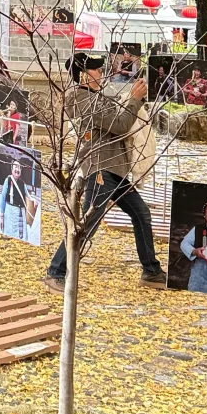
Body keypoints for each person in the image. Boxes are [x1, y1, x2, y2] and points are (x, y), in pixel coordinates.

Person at [44, 68, 164, 291]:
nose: (101, 72)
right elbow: (119, 125)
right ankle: (56, 271)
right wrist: (134, 100)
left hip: (115, 169)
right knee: (88, 223)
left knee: (141, 214)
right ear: (83, 74)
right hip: (101, 169)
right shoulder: (82, 99)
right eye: (96, 69)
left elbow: (118, 118)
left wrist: (132, 98)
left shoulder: (95, 97)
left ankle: (151, 271)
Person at [0, 157, 37, 241]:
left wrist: (34, 200)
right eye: (15, 166)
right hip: (10, 212)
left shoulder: (23, 184)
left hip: (21, 213)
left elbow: (28, 195)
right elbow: (3, 197)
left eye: (19, 167)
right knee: (9, 236)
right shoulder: (8, 180)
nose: (17, 169)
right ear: (12, 169)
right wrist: (1, 216)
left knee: (21, 237)